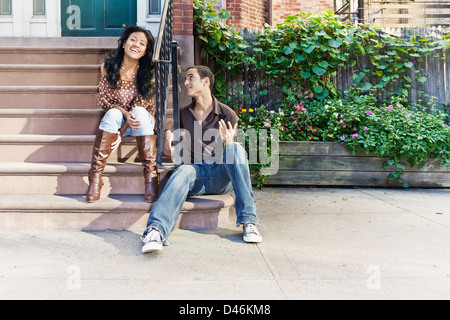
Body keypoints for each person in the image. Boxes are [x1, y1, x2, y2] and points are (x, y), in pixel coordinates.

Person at [141, 65, 262, 254]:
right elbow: (167, 145)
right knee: (183, 170)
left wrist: (228, 142)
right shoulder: (182, 113)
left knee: (235, 149)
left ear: (205, 82)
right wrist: (167, 136)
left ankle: (249, 221)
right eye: (185, 79)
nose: (186, 82)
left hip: (221, 176)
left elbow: (233, 158)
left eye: (191, 78)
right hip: (195, 175)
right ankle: (156, 230)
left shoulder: (226, 114)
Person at [86, 26, 158, 203]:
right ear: (124, 43)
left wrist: (121, 131)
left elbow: (142, 105)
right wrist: (123, 117)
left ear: (144, 52)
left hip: (141, 124)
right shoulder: (108, 68)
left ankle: (150, 176)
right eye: (133, 40)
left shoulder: (148, 74)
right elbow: (104, 101)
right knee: (111, 113)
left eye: (142, 43)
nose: (136, 45)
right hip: (116, 122)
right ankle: (95, 178)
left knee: (139, 111)